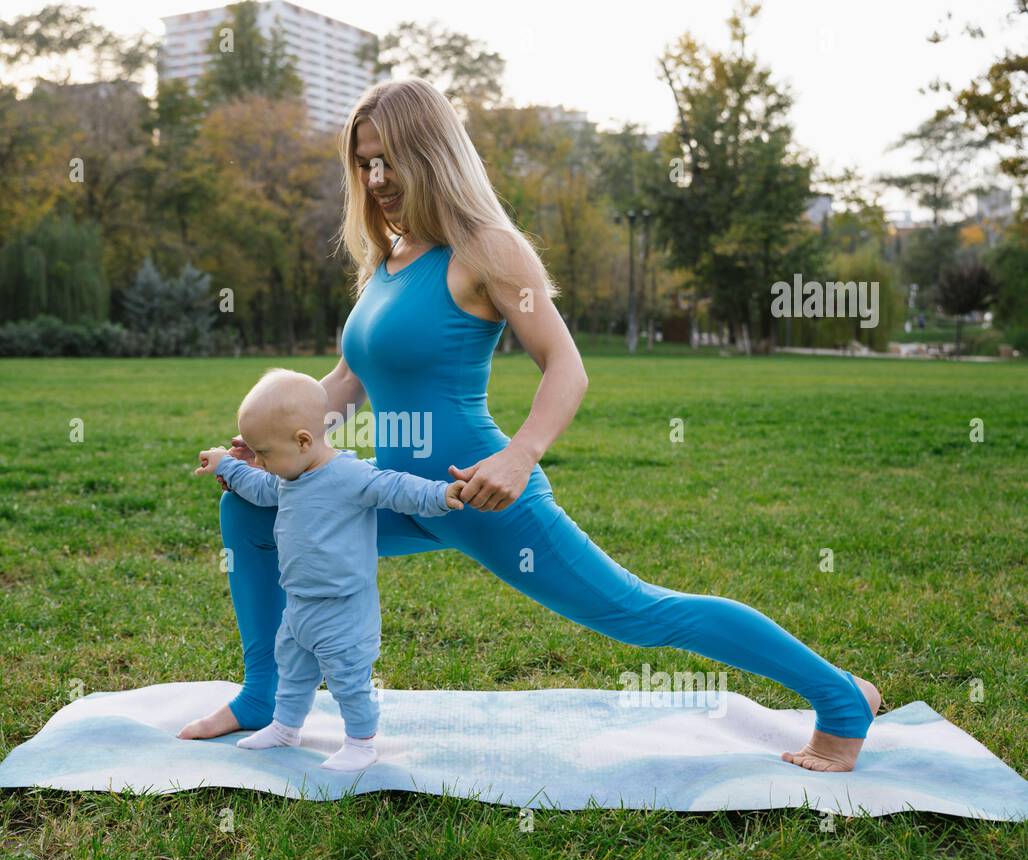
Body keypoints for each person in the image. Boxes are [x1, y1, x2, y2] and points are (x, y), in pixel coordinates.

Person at [184, 76, 881, 772]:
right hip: (390, 492)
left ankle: (843, 702)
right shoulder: (386, 265)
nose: (377, 178)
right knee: (247, 515)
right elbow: (343, 385)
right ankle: (261, 697)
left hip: (478, 492)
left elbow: (565, 365)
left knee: (637, 614)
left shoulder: (488, 250)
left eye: (390, 158)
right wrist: (271, 447)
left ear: (432, 153)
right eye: (365, 163)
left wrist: (519, 457)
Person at [193, 367, 467, 771]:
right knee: (292, 670)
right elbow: (256, 487)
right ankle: (286, 727)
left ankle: (361, 740)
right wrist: (224, 465)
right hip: (300, 604)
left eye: (264, 453)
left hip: (343, 608)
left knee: (349, 678)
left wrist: (443, 494)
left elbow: (397, 488)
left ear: (303, 440)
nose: (261, 463)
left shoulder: (351, 476)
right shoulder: (287, 479)